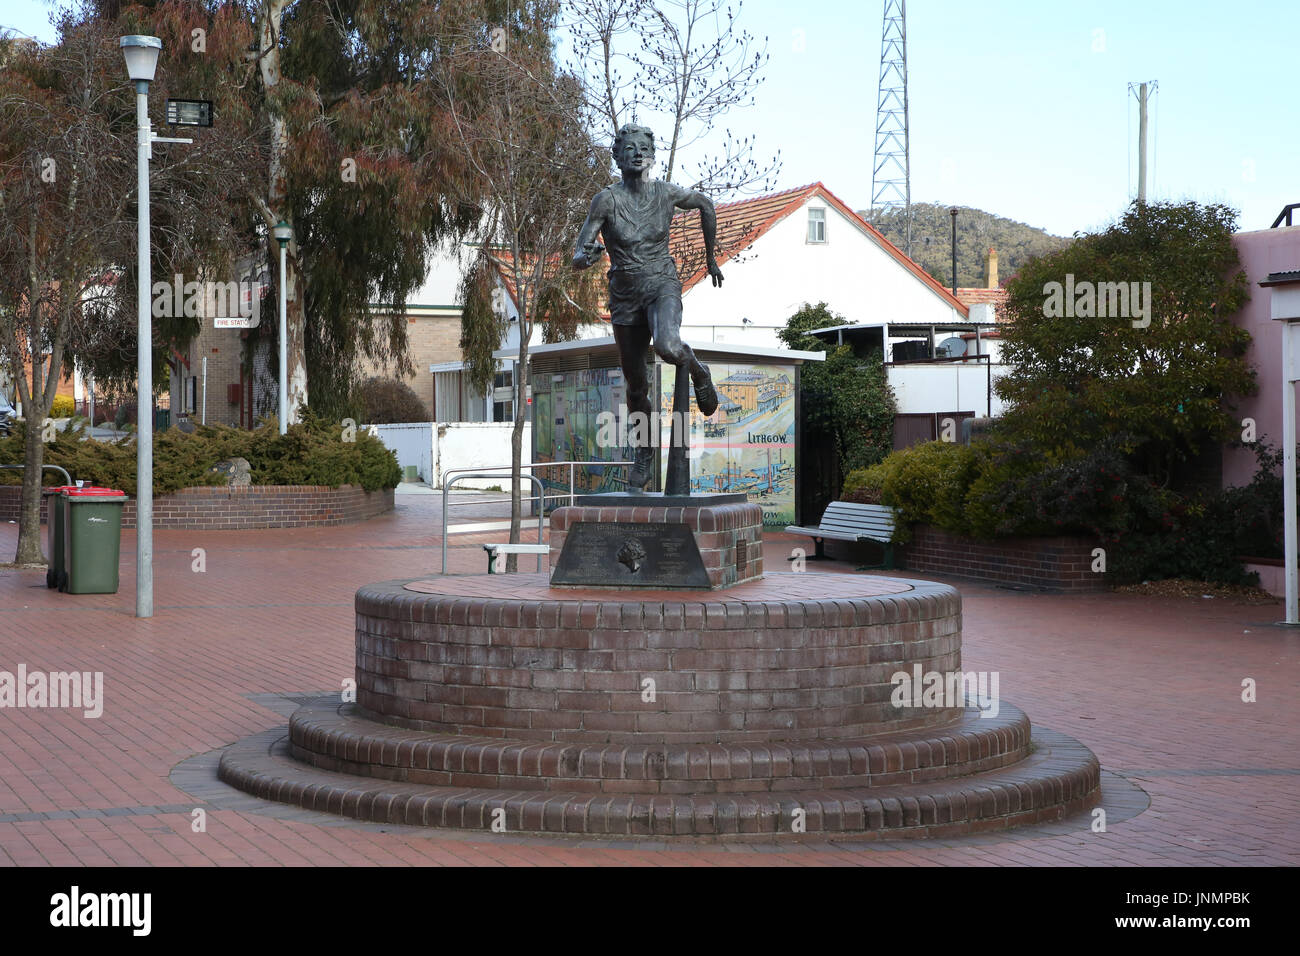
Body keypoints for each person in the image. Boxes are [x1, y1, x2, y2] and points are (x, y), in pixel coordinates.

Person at [573, 123, 723, 490]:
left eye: (644, 148)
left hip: (661, 284)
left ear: (652, 156)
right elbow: (578, 252)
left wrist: (711, 258)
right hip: (624, 295)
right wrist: (586, 256)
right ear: (617, 157)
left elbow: (705, 203)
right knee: (636, 386)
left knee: (668, 346)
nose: (637, 153)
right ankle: (644, 450)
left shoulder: (666, 193)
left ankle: (699, 371)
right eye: (629, 148)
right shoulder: (606, 200)